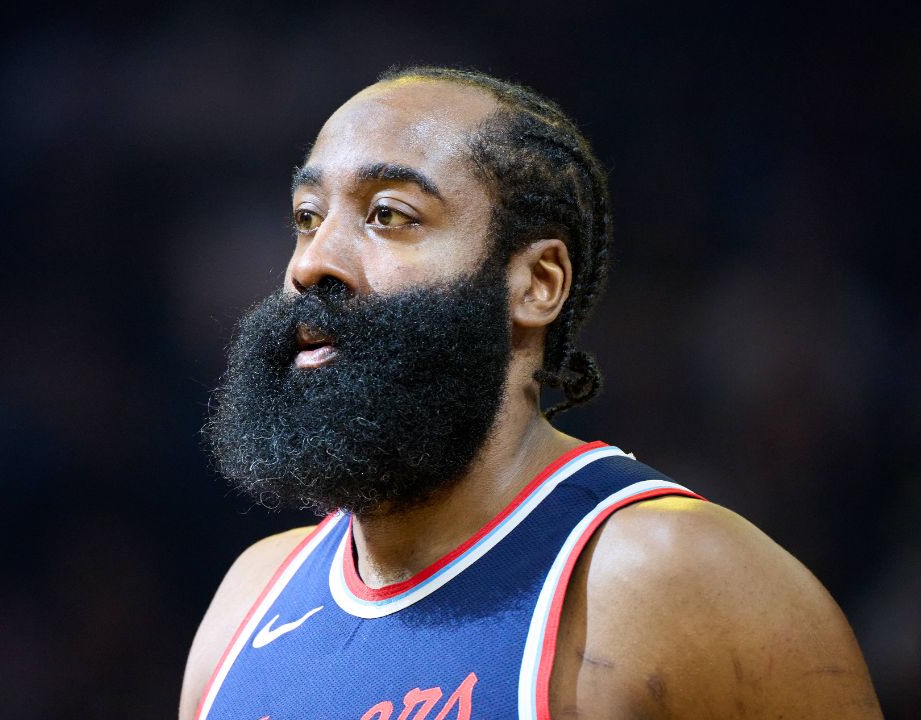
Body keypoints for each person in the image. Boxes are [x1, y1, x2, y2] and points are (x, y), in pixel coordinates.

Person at [181, 67, 883, 719]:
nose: (311, 262)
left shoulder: (672, 580)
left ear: (537, 284)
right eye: (308, 216)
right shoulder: (249, 600)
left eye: (389, 214)